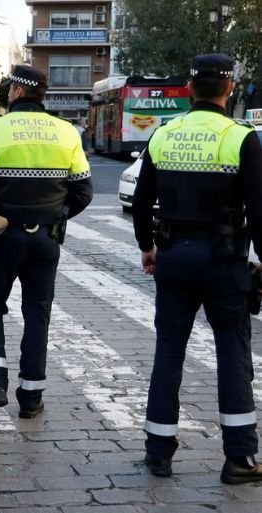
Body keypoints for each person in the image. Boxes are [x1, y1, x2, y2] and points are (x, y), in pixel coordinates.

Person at [132, 54, 262, 484]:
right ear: (229, 90)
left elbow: (141, 200)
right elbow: (259, 212)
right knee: (232, 352)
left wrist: (148, 247)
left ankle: (158, 453)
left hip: (172, 257)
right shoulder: (241, 138)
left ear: (189, 89)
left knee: (169, 350)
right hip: (224, 262)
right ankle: (240, 459)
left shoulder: (164, 135)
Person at [0, 64, 93, 417]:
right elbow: (83, 191)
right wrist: (55, 215)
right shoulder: (67, 133)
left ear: (17, 92)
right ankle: (31, 398)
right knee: (37, 313)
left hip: (3, 237)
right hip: (47, 239)